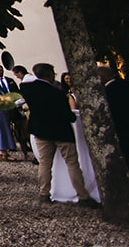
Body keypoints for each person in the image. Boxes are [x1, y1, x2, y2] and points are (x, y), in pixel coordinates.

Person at [20, 63, 98, 206]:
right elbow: (67, 115)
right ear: (49, 75)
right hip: (61, 132)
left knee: (44, 163)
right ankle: (83, 195)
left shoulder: (27, 89)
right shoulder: (57, 93)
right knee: (72, 163)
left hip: (40, 131)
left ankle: (44, 194)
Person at [0, 65, 20, 160]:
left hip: (3, 111)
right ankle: (2, 152)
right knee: (0, 131)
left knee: (5, 130)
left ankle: (5, 151)